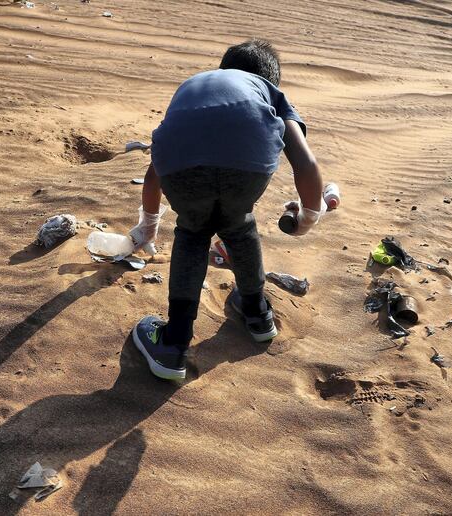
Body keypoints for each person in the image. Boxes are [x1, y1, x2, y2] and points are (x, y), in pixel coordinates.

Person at [129, 39, 324, 380]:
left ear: (223, 69)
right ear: (270, 80)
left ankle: (172, 344)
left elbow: (156, 167)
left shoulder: (197, 87)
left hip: (179, 168)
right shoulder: (268, 92)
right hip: (247, 168)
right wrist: (309, 214)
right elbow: (304, 161)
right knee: (239, 226)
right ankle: (258, 315)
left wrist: (148, 223)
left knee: (192, 232)